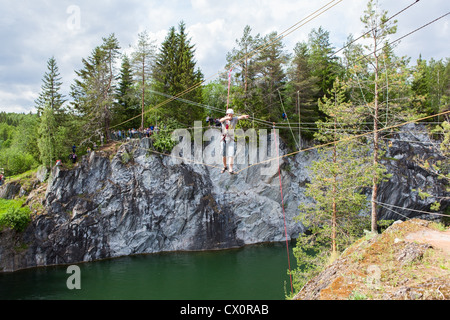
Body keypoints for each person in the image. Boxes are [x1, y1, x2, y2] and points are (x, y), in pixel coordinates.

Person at [219, 108, 249, 174]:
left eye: (231, 115)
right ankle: (224, 166)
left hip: (231, 139)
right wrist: (226, 118)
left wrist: (244, 116)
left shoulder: (234, 119)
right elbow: (220, 120)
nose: (230, 116)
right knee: (223, 154)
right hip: (223, 138)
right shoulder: (224, 120)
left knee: (231, 154)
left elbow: (239, 117)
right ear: (227, 114)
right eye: (229, 115)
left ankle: (230, 169)